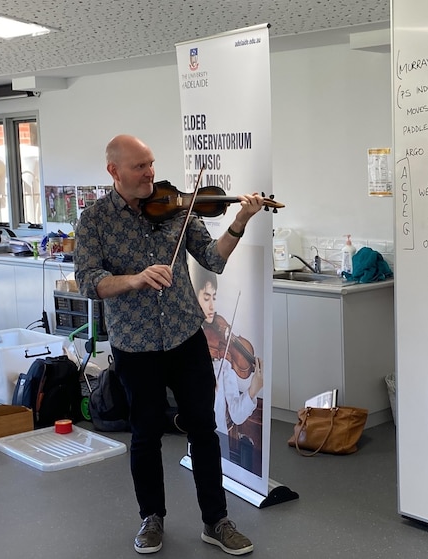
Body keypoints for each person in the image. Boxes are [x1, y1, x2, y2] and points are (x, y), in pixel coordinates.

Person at [74, 134, 264, 556]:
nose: (150, 173)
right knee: (144, 435)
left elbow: (213, 259)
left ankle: (216, 521)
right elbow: (89, 281)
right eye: (140, 166)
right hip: (135, 344)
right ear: (114, 171)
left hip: (184, 335)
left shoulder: (176, 208)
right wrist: (136, 279)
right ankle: (152, 518)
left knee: (203, 429)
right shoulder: (94, 220)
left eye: (151, 163)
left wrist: (239, 222)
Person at [191, 265, 264, 439]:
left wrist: (253, 390)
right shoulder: (189, 342)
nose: (212, 306)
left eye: (214, 298)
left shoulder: (222, 364)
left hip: (217, 435)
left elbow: (237, 415)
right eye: (206, 298)